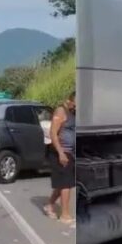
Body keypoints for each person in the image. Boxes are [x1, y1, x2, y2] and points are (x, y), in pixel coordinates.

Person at [44, 92, 76, 226]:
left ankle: (49, 205)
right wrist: (61, 153)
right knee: (66, 184)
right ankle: (65, 214)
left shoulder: (73, 112)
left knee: (63, 183)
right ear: (69, 100)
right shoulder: (61, 111)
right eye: (75, 103)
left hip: (71, 152)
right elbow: (53, 133)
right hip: (61, 152)